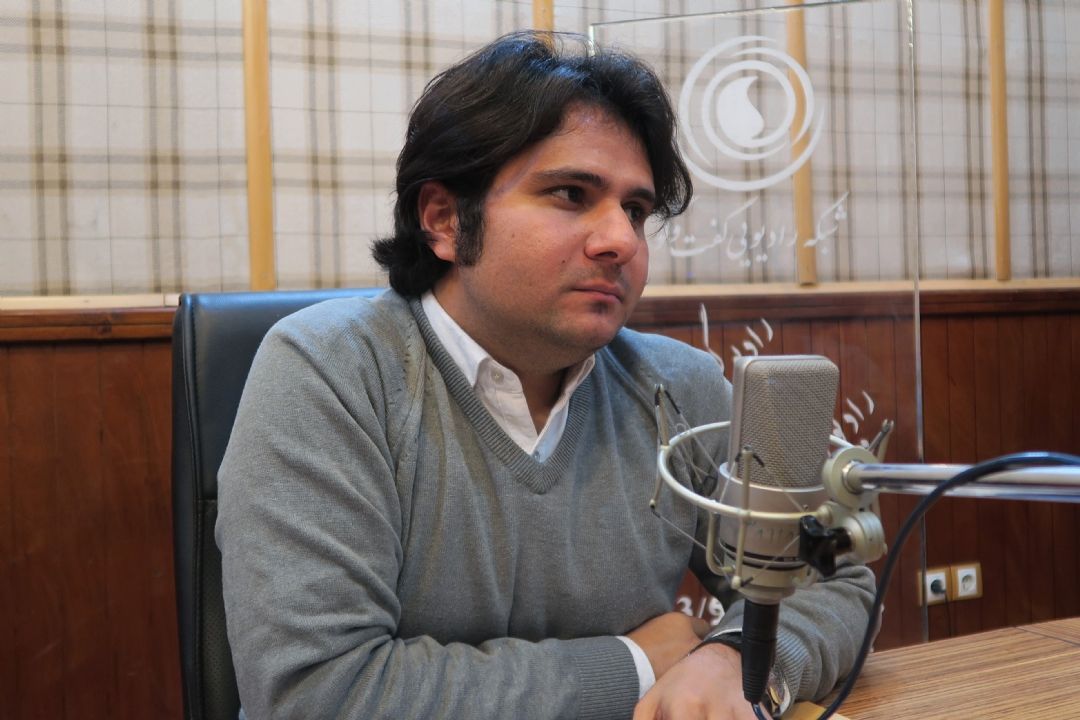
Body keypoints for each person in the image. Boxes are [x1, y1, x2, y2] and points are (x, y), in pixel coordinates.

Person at [216, 31, 875, 720]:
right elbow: (318, 693)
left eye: (635, 211)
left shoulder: (680, 386)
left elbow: (832, 580)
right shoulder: (328, 373)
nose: (620, 240)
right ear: (444, 220)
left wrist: (737, 657)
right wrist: (635, 664)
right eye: (570, 194)